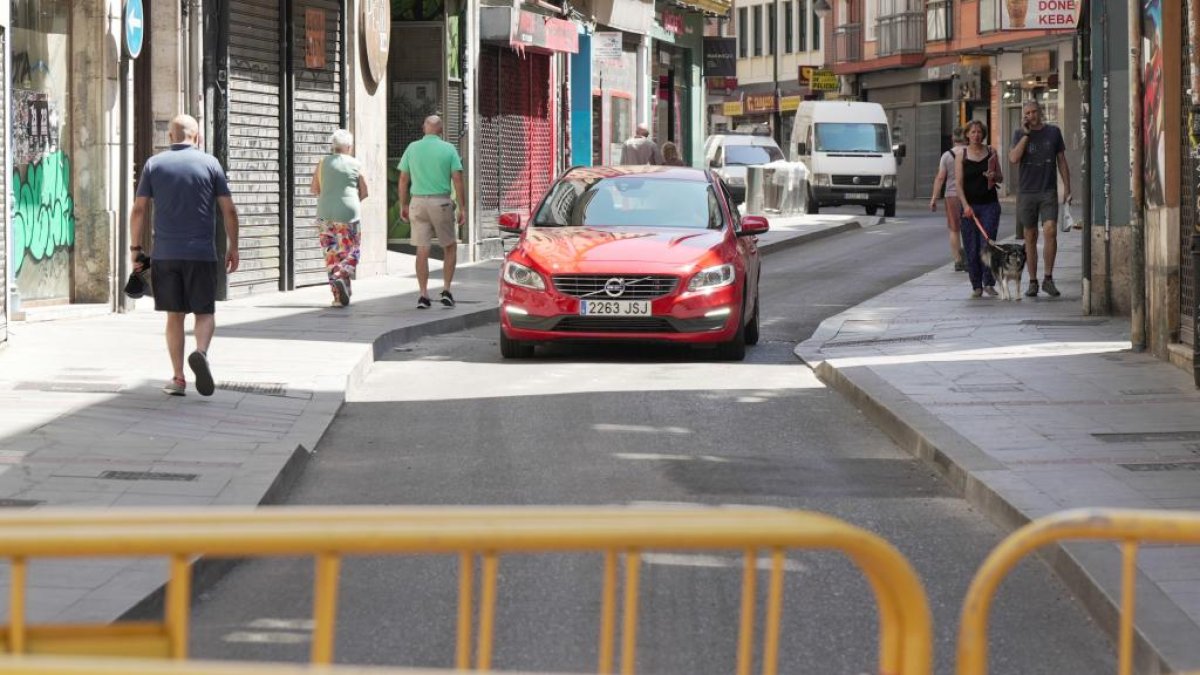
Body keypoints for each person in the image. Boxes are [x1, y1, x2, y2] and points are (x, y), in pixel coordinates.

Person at [129, 114, 239, 397]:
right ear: (197, 137)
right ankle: (200, 352)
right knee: (204, 312)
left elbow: (139, 209)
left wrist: (135, 249)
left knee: (174, 315)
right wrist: (233, 246)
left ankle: (178, 379)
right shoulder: (210, 163)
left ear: (170, 137)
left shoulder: (155, 164)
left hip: (165, 254)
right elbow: (229, 210)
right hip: (201, 253)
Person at [398, 115, 466, 308]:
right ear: (441, 130)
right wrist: (463, 207)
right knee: (449, 247)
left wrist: (403, 204)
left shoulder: (412, 148)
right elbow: (458, 179)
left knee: (422, 249)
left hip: (417, 202)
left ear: (423, 128)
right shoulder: (448, 149)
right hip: (441, 202)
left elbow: (403, 179)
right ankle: (446, 290)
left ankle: (423, 295)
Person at [1008, 99, 1070, 298]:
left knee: (1050, 230)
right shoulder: (1019, 134)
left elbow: (1061, 160)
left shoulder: (1053, 132)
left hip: (1048, 190)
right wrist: (1026, 136)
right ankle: (1033, 281)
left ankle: (1048, 278)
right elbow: (1013, 158)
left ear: (1040, 112)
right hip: (1027, 192)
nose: (1031, 116)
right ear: (1023, 116)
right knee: (1030, 236)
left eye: (1034, 112)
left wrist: (1067, 187)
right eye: (1027, 113)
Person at [311, 129, 368, 308]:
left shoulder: (322, 163)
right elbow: (365, 191)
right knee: (353, 250)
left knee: (331, 254)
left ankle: (338, 297)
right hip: (348, 213)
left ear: (333, 146)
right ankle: (341, 275)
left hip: (325, 213)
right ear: (349, 147)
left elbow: (314, 189)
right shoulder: (356, 164)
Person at [957, 120, 1003, 299]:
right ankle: (976, 284)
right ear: (967, 135)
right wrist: (965, 206)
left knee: (988, 244)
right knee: (971, 246)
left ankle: (989, 282)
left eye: (978, 132)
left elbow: (1000, 178)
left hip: (990, 204)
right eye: (972, 132)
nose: (976, 135)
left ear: (983, 134)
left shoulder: (991, 152)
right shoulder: (962, 155)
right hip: (969, 207)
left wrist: (994, 175)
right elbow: (958, 184)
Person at [929, 127, 967, 272]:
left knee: (954, 229)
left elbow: (940, 178)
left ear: (952, 138)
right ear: (966, 137)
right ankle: (970, 257)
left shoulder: (947, 155)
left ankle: (958, 260)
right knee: (969, 228)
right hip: (969, 195)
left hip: (951, 195)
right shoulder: (970, 152)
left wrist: (934, 198)